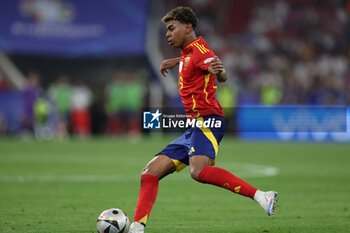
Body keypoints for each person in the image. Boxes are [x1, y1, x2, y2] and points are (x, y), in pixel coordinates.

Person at [129, 7, 278, 233]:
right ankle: (136, 228)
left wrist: (219, 72)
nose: (167, 34)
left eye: (171, 29)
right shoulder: (189, 53)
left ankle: (261, 196)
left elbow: (216, 69)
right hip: (193, 126)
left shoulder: (200, 50)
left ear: (188, 27)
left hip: (209, 120)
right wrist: (174, 61)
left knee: (198, 171)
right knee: (150, 173)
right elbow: (191, 59)